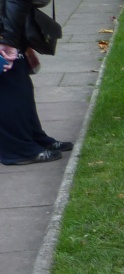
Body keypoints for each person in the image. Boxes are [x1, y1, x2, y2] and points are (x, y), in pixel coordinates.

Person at [0, 2, 74, 165]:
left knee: (21, 85)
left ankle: (32, 137)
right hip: (5, 28)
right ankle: (18, 149)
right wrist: (8, 39)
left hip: (8, 24)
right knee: (10, 87)